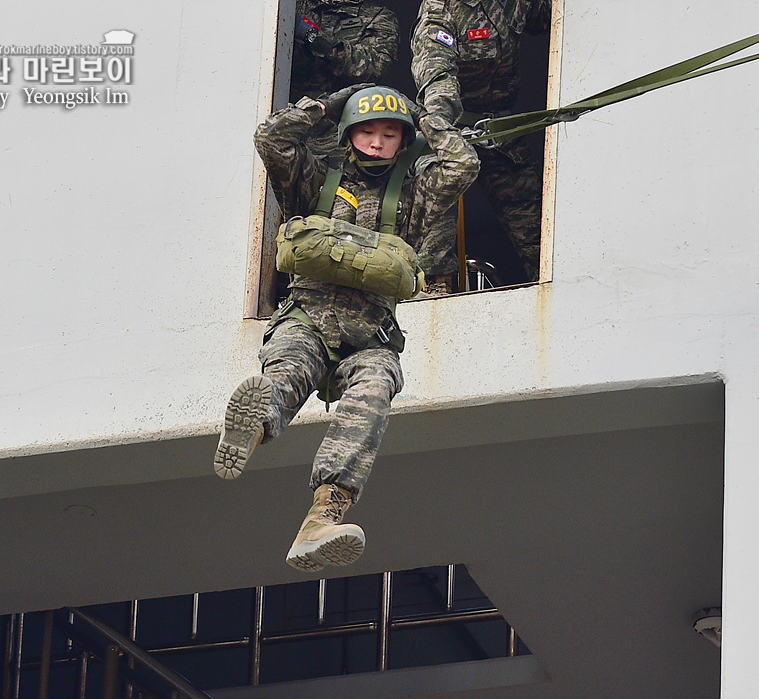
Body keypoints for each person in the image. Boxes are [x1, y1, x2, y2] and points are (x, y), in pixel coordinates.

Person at [215, 85, 479, 572]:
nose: (378, 142)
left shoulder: (416, 193)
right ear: (348, 133)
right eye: (367, 130)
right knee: (289, 370)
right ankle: (253, 424)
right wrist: (329, 103)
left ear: (403, 141)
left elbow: (462, 165)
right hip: (307, 316)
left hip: (370, 335)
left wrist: (425, 119)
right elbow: (271, 138)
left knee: (376, 388)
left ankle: (322, 517)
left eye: (389, 134)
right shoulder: (314, 177)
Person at [411, 0, 551, 289]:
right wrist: (441, 126)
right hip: (451, 128)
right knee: (436, 199)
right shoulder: (441, 10)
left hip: (503, 133)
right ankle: (434, 288)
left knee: (541, 234)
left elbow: (553, 16)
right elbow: (436, 73)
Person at [290, 0, 400, 162]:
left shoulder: (377, 17)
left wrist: (314, 37)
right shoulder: (296, 5)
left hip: (336, 137)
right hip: (288, 123)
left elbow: (371, 69)